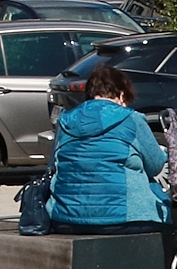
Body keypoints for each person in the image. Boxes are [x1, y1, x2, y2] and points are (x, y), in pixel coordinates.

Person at [49, 64, 168, 233]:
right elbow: (156, 165)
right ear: (121, 94)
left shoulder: (65, 121)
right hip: (123, 219)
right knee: (162, 199)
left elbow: (54, 165)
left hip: (64, 218)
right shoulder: (131, 118)